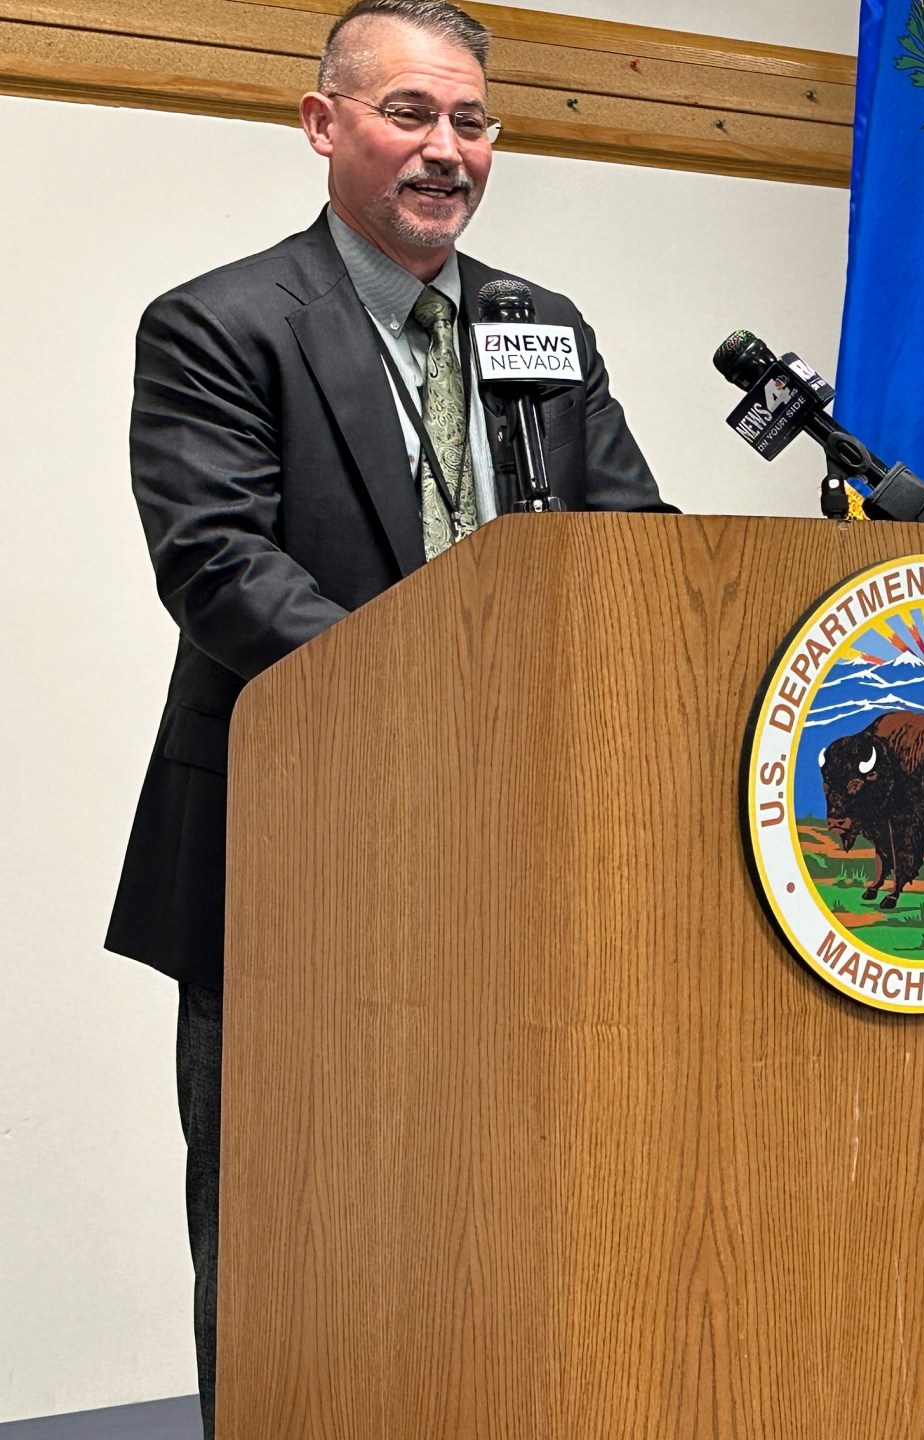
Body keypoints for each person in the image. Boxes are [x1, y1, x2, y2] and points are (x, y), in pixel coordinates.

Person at [101, 2, 670, 1430]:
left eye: (471, 121)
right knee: (291, 1232)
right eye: (410, 114)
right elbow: (219, 569)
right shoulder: (222, 325)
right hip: (295, 855)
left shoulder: (544, 329)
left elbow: (635, 549)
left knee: (492, 1218)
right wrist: (438, 713)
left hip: (524, 865)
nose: (447, 149)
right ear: (324, 124)